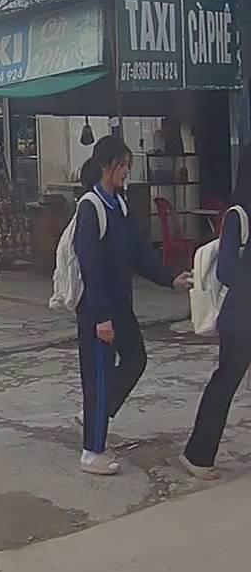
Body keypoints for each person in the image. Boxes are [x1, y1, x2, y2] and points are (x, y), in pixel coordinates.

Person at [74, 135, 192, 475]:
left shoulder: (119, 205)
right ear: (105, 166)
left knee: (136, 358)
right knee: (98, 376)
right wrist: (101, 317)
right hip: (98, 310)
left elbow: (138, 253)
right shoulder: (91, 207)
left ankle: (96, 412)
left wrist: (171, 278)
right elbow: (91, 266)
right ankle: (92, 452)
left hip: (121, 305)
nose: (127, 171)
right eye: (122, 165)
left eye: (128, 165)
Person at [182, 156, 251, 479]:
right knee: (225, 384)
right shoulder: (238, 216)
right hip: (241, 317)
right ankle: (197, 455)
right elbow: (226, 270)